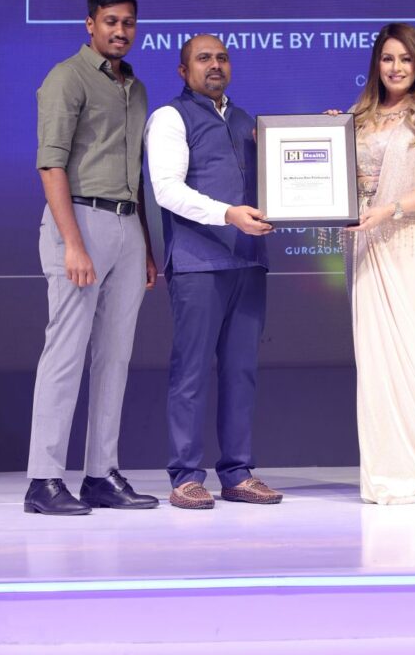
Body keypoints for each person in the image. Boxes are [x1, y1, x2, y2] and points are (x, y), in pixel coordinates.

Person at [25, 0, 159, 515]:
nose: (120, 31)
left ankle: (100, 474)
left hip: (128, 228)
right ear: (90, 24)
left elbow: (137, 176)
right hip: (78, 220)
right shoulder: (67, 77)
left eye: (127, 22)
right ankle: (43, 480)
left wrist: (145, 245)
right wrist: (73, 244)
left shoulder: (137, 87)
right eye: (110, 22)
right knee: (66, 352)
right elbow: (50, 163)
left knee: (116, 356)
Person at [331, 23, 415, 505]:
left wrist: (390, 210)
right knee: (376, 364)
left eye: (405, 59)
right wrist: (330, 139)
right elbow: (340, 180)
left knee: (413, 361)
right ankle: (385, 474)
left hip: (414, 246)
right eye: (388, 59)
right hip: (370, 250)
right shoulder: (358, 116)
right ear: (376, 64)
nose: (396, 68)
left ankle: (409, 469)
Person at [145, 34, 282, 510]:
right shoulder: (169, 117)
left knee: (241, 372)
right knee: (191, 372)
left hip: (248, 260)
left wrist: (324, 139)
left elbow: (287, 174)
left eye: (222, 57)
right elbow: (166, 189)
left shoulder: (249, 123)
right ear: (184, 71)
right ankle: (185, 475)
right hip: (197, 263)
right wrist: (228, 214)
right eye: (203, 58)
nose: (215, 64)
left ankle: (237, 472)